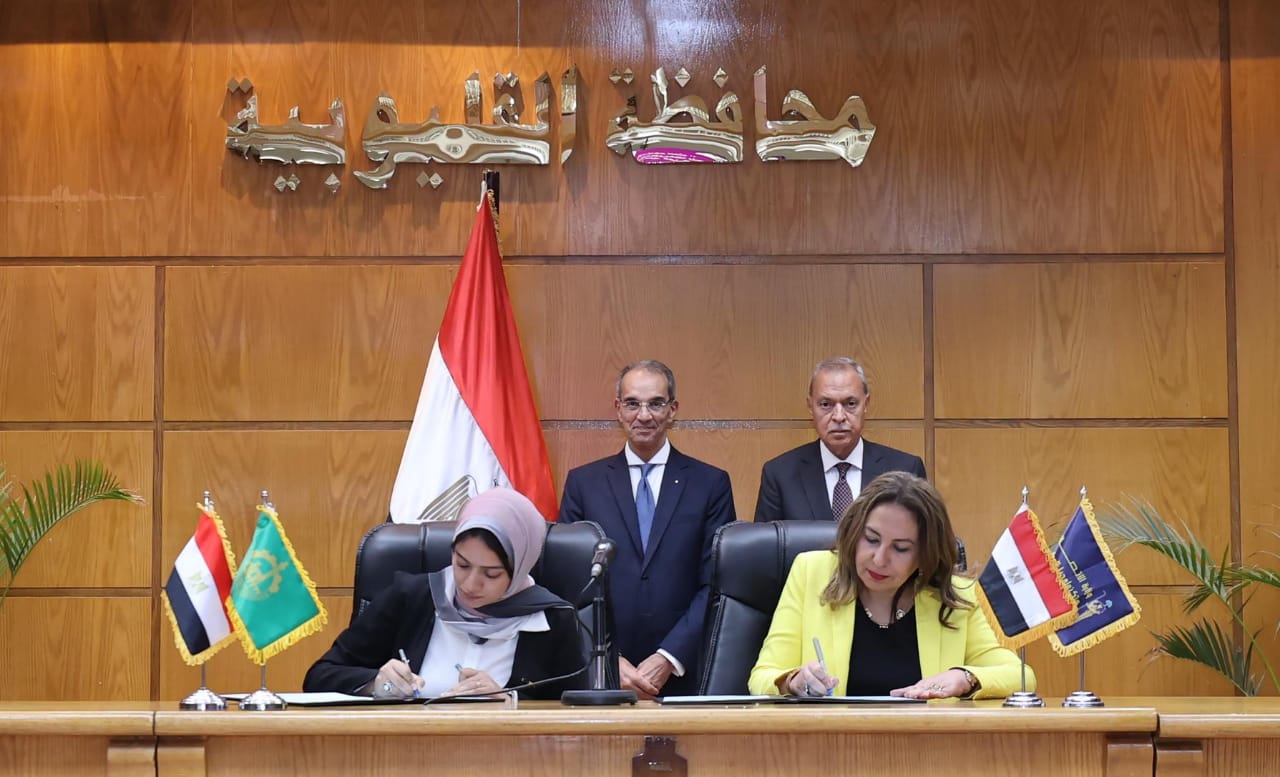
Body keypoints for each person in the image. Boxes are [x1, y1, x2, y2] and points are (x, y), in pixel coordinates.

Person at [748, 472, 1030, 699]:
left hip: (926, 748)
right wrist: (793, 681)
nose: (879, 559)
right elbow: (762, 677)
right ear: (854, 533)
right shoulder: (811, 572)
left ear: (925, 554)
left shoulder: (955, 596)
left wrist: (965, 677)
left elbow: (1021, 676)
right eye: (871, 539)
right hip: (832, 747)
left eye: (901, 548)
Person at [559, 359, 736, 699]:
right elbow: (570, 583)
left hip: (684, 673)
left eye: (655, 403)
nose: (643, 415)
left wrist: (669, 657)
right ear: (618, 409)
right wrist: (608, 657)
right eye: (632, 404)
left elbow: (717, 582)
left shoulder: (710, 483)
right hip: (604, 673)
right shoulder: (584, 483)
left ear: (673, 410)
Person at [304, 488, 587, 700]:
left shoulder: (552, 620)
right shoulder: (410, 598)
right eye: (462, 564)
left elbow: (575, 710)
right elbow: (320, 676)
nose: (470, 584)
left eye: (491, 574)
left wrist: (510, 701)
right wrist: (376, 684)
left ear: (520, 567)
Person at [754, 357, 926, 523]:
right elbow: (764, 542)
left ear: (866, 404)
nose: (838, 416)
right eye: (825, 404)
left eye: (850, 404)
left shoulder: (905, 470)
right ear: (810, 406)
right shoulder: (780, 475)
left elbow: (926, 538)